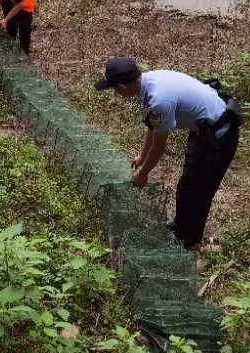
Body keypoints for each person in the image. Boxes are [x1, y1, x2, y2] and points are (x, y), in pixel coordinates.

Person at [95, 57, 241, 250]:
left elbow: (159, 147)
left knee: (198, 189)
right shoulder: (149, 83)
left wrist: (143, 173)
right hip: (204, 130)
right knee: (187, 185)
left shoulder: (159, 99)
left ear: (122, 87)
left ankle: (189, 241)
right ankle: (180, 228)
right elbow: (153, 126)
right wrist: (141, 155)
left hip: (219, 136)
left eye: (114, 88)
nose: (115, 93)